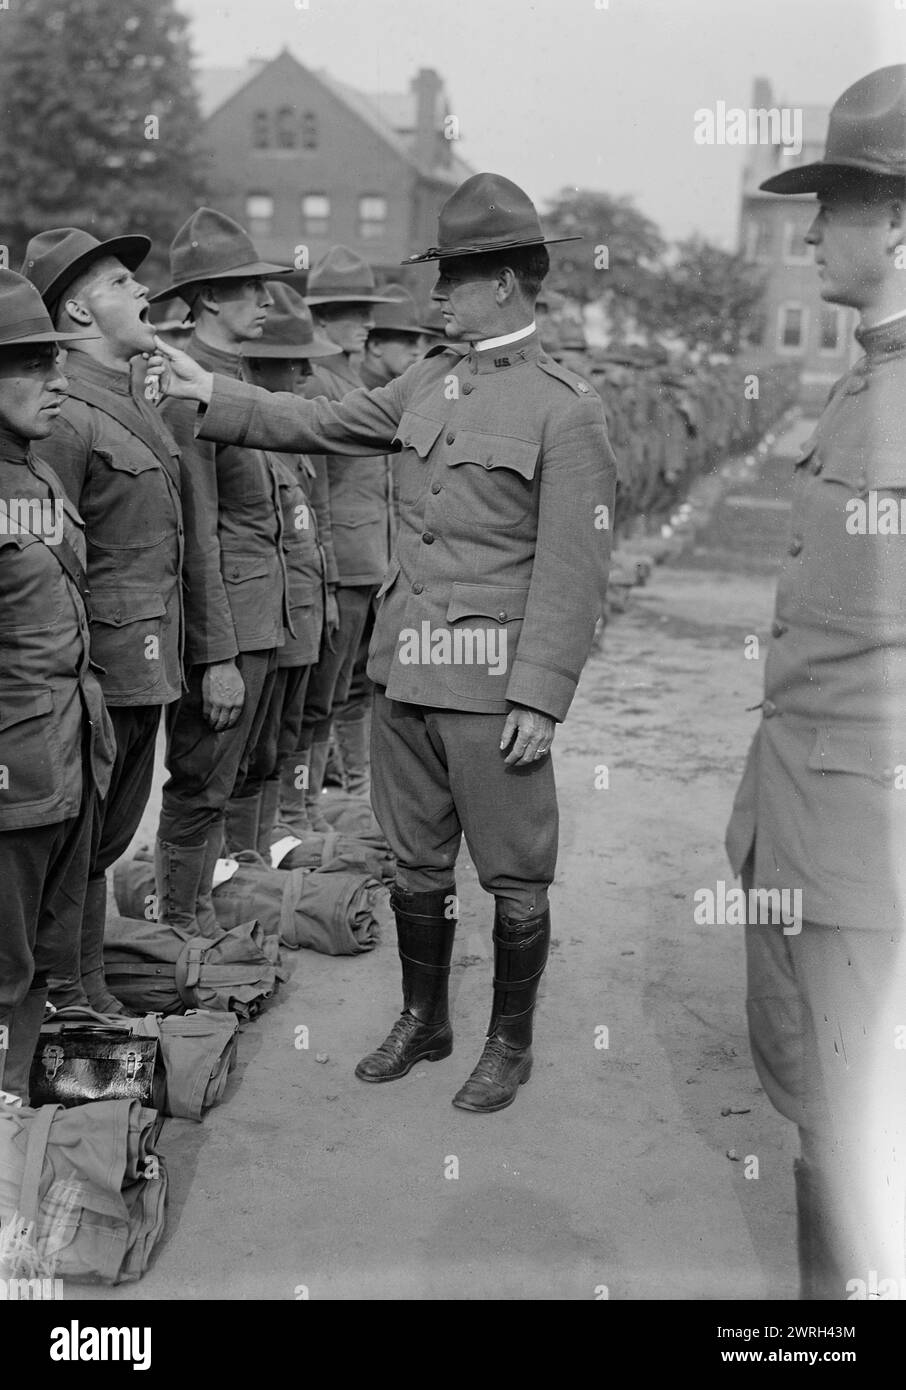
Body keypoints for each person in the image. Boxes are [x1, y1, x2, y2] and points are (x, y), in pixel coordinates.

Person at [151, 172, 616, 1113]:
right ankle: (424, 1018)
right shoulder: (427, 378)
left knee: (515, 870)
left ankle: (508, 1044)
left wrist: (542, 693)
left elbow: (574, 567)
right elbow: (323, 422)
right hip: (406, 668)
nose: (437, 297)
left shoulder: (567, 407)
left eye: (452, 279)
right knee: (415, 861)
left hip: (492, 684)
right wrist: (212, 390)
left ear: (505, 285)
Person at [725, 66, 906, 1298]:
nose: (807, 233)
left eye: (830, 205)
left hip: (872, 860)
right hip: (799, 828)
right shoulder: (864, 382)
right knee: (821, 1124)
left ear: (898, 222)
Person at [23, 227, 183, 1013]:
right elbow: (49, 567)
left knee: (105, 842)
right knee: (80, 849)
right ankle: (74, 1004)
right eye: (124, 282)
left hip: (141, 664)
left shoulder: (130, 399)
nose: (145, 291)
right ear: (80, 310)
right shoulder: (60, 414)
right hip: (95, 674)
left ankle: (87, 997)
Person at [150, 207, 291, 928]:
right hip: (227, 627)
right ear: (207, 298)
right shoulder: (188, 393)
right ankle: (180, 927)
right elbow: (197, 536)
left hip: (261, 617)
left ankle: (203, 912)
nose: (268, 301)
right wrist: (217, 657)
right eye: (250, 288)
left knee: (229, 774)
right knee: (200, 783)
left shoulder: (231, 381)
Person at [0, 269, 115, 1100]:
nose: (59, 379)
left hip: (67, 757)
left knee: (42, 953)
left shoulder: (37, 473)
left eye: (58, 358)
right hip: (12, 774)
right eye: (34, 363)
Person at [278, 247, 392, 828]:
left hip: (366, 558)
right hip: (339, 561)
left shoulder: (349, 375)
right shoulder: (318, 379)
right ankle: (300, 813)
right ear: (321, 317)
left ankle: (331, 802)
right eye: (354, 309)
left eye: (367, 308)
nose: (367, 321)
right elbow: (312, 485)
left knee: (344, 690)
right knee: (317, 700)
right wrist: (323, 563)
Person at [228, 281, 341, 854]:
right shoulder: (244, 431)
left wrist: (326, 597)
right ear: (261, 367)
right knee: (244, 751)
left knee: (283, 736)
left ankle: (275, 834)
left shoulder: (291, 432)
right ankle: (237, 858)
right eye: (293, 365)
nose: (304, 377)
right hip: (259, 616)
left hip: (300, 610)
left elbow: (309, 529)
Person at [332, 283, 423, 795]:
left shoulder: (405, 398)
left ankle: (357, 783)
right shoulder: (349, 395)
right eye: (403, 342)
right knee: (336, 689)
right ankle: (340, 787)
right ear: (373, 348)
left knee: (370, 680)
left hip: (384, 561)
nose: (415, 352)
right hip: (348, 563)